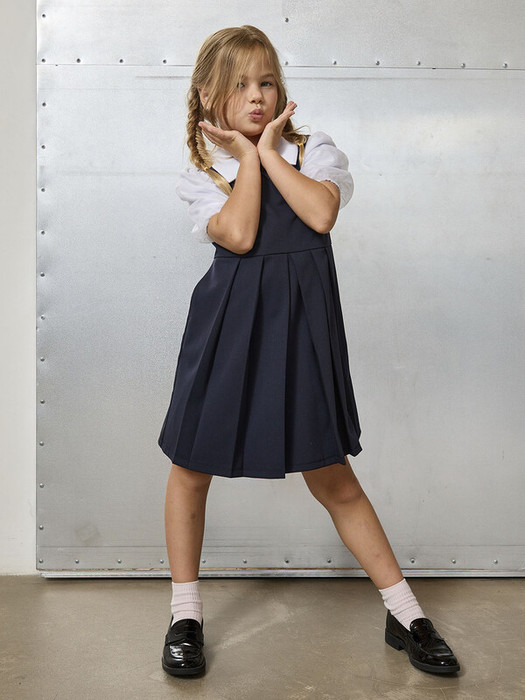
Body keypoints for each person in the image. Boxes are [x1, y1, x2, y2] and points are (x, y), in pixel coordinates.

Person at [158, 25, 460, 678]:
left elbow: (320, 215)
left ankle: (406, 613)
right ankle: (185, 615)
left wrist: (266, 152)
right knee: (191, 467)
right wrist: (244, 158)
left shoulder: (310, 150)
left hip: (301, 331)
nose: (257, 95)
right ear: (208, 95)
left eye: (266, 81)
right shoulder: (202, 174)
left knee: (332, 476)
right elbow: (240, 235)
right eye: (240, 84)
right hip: (226, 331)